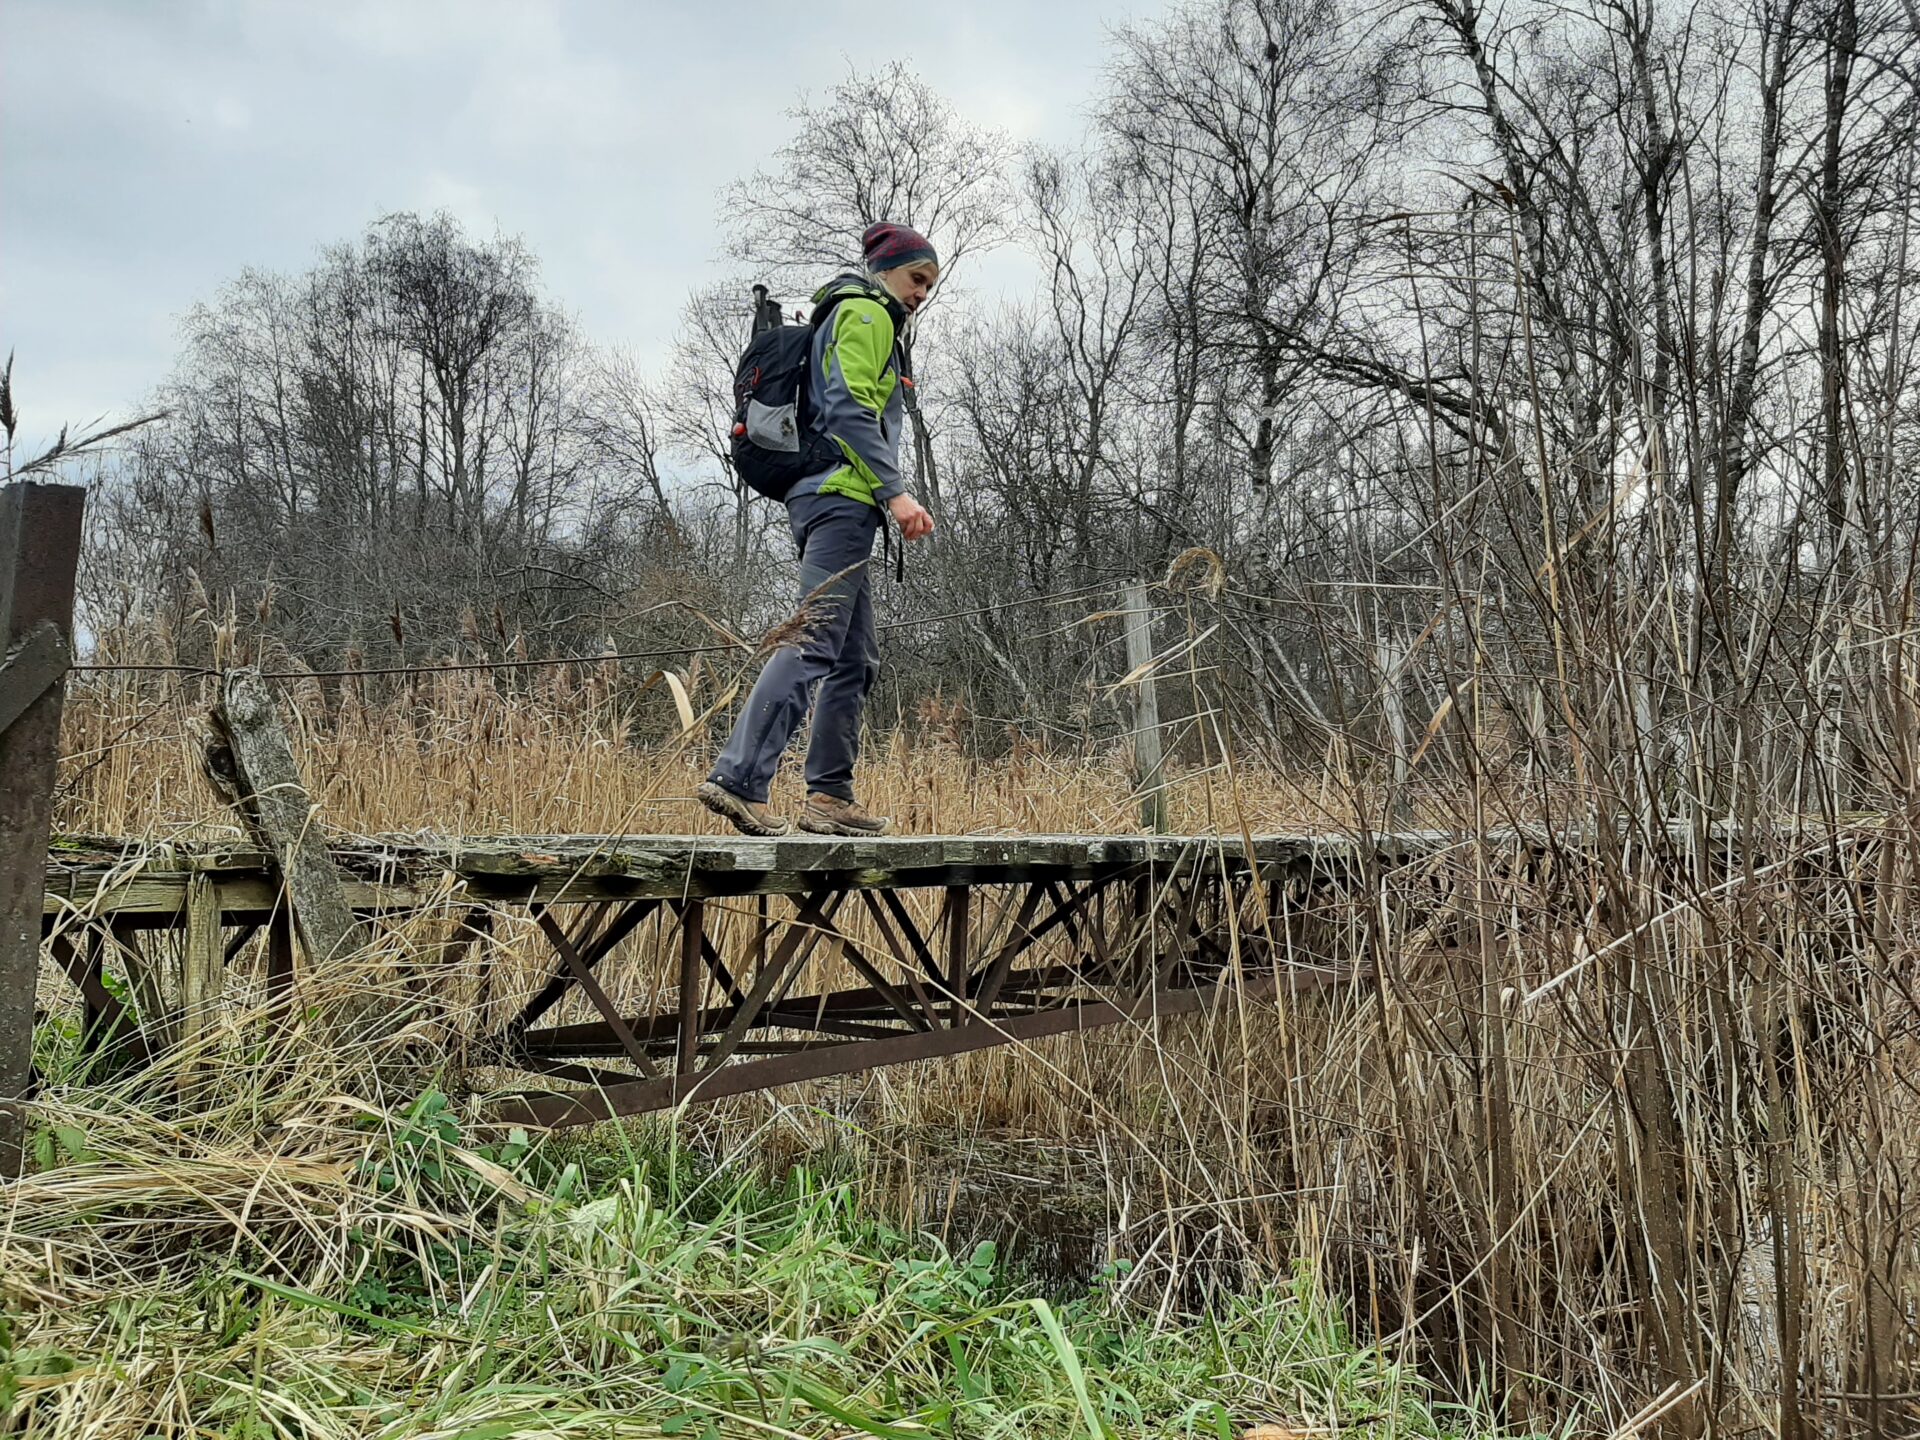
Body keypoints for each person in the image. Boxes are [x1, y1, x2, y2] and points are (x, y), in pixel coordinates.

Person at [697, 222, 939, 837]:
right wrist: (895, 492)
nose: (920, 293)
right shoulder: (867, 312)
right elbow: (847, 407)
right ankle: (739, 778)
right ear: (886, 271)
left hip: (830, 497)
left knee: (855, 657)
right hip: (841, 498)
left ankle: (829, 795)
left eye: (929, 286)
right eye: (916, 278)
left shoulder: (854, 313)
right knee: (815, 640)